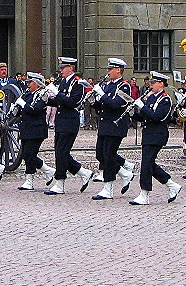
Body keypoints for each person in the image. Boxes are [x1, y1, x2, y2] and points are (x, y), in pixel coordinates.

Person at [130, 71, 181, 205]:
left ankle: (144, 193)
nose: (150, 85)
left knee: (146, 164)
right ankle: (171, 185)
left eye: (153, 83)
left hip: (157, 135)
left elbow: (157, 117)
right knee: (149, 164)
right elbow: (145, 116)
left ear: (161, 84)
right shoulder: (152, 97)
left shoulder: (165, 99)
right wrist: (133, 113)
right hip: (148, 134)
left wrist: (142, 107)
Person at [44, 57, 93, 195]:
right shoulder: (64, 82)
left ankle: (60, 183)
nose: (60, 70)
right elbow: (60, 102)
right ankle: (83, 172)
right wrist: (47, 100)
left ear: (70, 68)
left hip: (70, 121)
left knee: (61, 152)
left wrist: (57, 93)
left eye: (63, 68)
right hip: (61, 121)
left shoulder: (78, 83)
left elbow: (72, 102)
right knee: (60, 152)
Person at [90, 58, 134, 200]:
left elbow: (116, 104)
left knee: (109, 156)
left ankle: (108, 188)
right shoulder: (108, 85)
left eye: (110, 69)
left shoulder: (124, 86)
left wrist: (102, 95)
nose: (108, 72)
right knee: (100, 155)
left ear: (118, 70)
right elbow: (102, 106)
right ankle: (125, 173)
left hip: (115, 125)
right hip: (105, 124)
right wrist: (94, 101)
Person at [14, 72, 56, 190]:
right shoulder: (27, 94)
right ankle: (48, 171)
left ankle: (29, 180)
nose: (28, 84)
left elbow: (35, 109)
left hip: (36, 129)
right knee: (25, 155)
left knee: (30, 155)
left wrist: (23, 105)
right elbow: (21, 111)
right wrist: (16, 108)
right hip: (27, 128)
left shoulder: (43, 95)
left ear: (37, 84)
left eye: (30, 82)